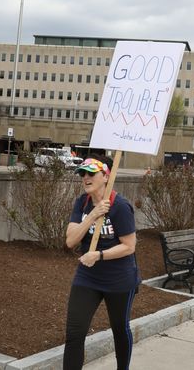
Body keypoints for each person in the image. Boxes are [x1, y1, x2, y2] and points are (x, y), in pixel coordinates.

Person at [64, 155, 139, 370]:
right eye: (82, 174)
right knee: (74, 333)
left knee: (119, 329)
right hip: (87, 277)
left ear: (105, 177)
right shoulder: (83, 203)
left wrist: (99, 255)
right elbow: (70, 240)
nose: (85, 178)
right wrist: (92, 215)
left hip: (119, 278)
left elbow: (129, 246)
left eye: (91, 174)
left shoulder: (120, 206)